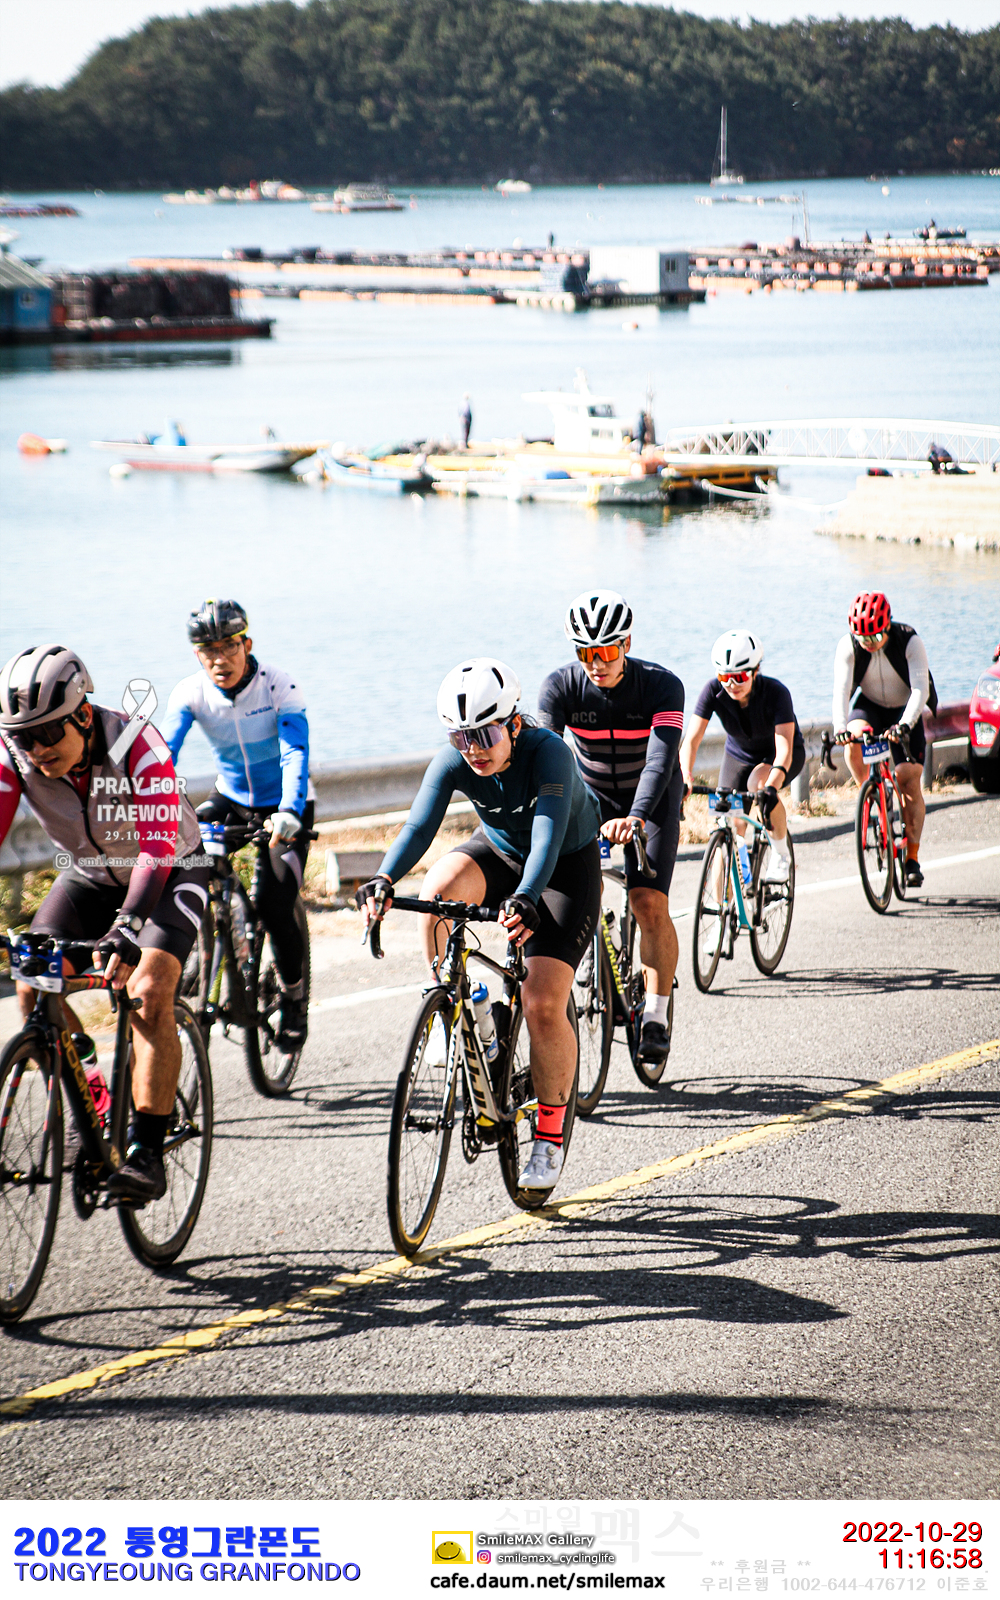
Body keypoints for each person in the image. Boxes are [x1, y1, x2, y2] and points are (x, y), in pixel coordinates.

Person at [358, 658, 602, 1191]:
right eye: (460, 736)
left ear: (513, 724)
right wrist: (382, 878)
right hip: (501, 852)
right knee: (436, 894)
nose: (473, 749)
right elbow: (419, 825)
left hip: (563, 865)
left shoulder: (549, 753)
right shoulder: (456, 759)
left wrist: (526, 898)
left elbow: (546, 836)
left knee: (541, 1003)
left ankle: (550, 1135)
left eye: (485, 734)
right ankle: (456, 1010)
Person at [0, 644, 210, 1200]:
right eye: (23, 737)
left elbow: (158, 846)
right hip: (90, 877)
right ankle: (89, 1100)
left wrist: (129, 926)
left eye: (48, 732)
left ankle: (147, 1153)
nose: (36, 749)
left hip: (171, 871)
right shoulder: (14, 754)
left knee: (149, 991)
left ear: (84, 715)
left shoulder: (136, 744)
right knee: (33, 984)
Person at [538, 591, 685, 1063]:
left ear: (626, 644)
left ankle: (656, 1014)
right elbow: (545, 756)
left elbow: (660, 761)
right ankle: (591, 954)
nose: (596, 663)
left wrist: (636, 817)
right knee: (581, 889)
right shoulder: (560, 687)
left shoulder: (662, 686)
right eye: (585, 653)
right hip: (593, 800)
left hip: (653, 800)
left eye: (605, 651)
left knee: (647, 902)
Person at [161, 600, 313, 1051]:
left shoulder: (279, 685)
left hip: (285, 806)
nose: (220, 659)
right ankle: (203, 951)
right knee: (185, 871)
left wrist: (289, 810)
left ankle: (293, 998)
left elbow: (295, 752)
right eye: (209, 650)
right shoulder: (190, 693)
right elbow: (164, 754)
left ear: (247, 644)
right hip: (230, 800)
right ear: (197, 654)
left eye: (229, 646)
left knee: (273, 902)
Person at [680, 631, 804, 907]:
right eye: (724, 677)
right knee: (728, 825)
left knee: (759, 784)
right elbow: (691, 741)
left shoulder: (776, 693)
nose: (731, 684)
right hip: (739, 756)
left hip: (780, 755)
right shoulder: (712, 690)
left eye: (739, 676)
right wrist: (685, 776)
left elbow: (784, 750)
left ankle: (781, 853)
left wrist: (771, 787)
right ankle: (722, 913)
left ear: (756, 670)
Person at [832, 591, 934, 887]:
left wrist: (905, 724)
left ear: (887, 626)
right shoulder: (848, 645)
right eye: (862, 638)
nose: (869, 643)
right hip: (871, 705)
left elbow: (920, 690)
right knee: (853, 741)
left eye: (875, 636)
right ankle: (873, 793)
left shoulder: (909, 641)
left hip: (905, 709)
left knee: (908, 779)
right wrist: (840, 726)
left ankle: (912, 856)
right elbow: (841, 691)